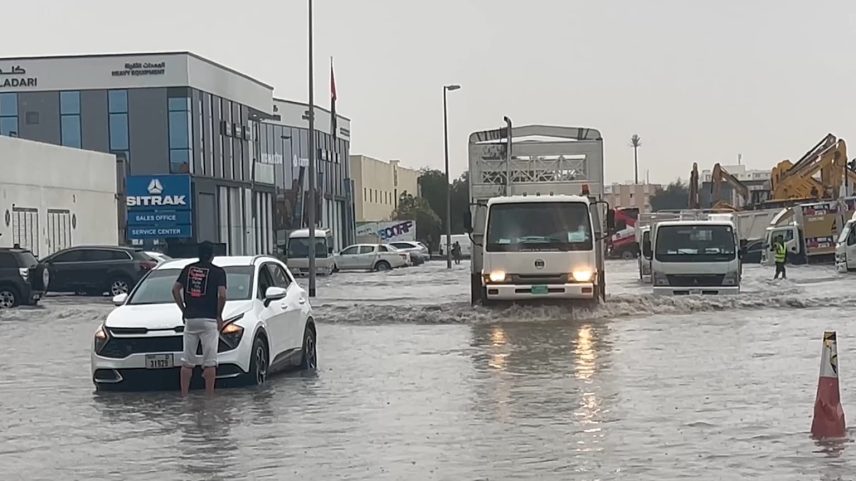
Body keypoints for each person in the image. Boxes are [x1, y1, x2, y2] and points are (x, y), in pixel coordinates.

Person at [171, 241, 227, 396]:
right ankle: (209, 397)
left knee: (187, 361)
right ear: (212, 256)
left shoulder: (188, 269)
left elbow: (175, 290)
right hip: (209, 320)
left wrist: (183, 309)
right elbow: (222, 295)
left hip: (190, 320)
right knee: (210, 362)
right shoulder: (218, 272)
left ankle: (184, 396)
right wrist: (219, 314)